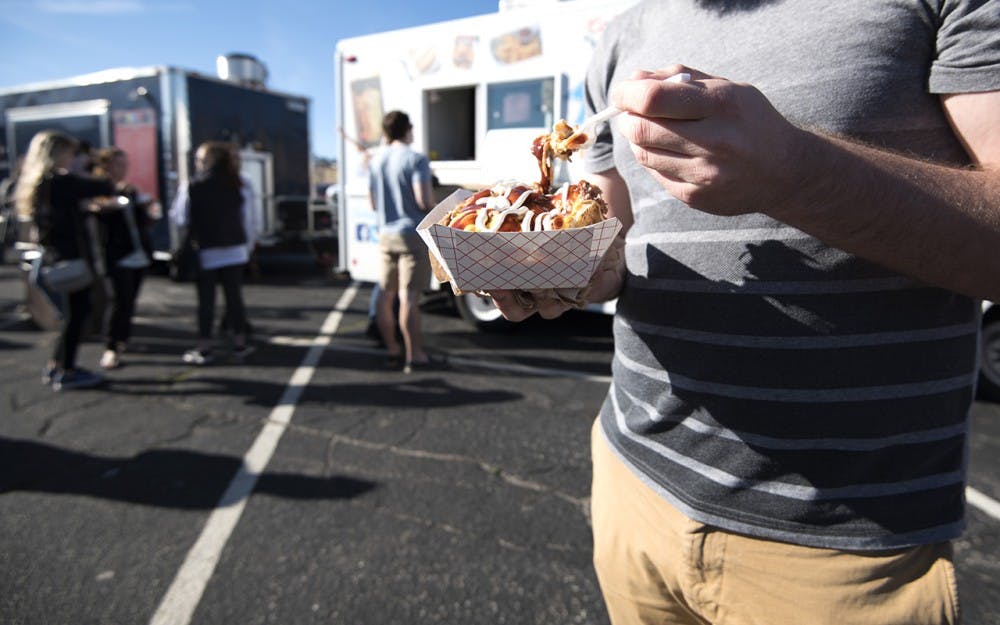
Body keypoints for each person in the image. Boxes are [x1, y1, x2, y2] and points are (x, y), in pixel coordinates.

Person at [489, 2, 1000, 624]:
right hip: (633, 480)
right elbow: (610, 238)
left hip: (845, 539)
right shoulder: (624, 33)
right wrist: (563, 270)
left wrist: (795, 171)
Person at [14, 130, 116, 391]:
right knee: (78, 317)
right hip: (71, 260)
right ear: (58, 153)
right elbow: (106, 185)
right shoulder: (61, 182)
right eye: (71, 154)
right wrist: (94, 160)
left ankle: (57, 365)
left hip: (55, 258)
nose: (74, 159)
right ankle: (66, 370)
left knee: (72, 317)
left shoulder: (39, 183)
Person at [169, 141, 254, 365]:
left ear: (208, 161)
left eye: (200, 159)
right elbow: (249, 219)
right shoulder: (240, 183)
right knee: (234, 298)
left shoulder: (193, 185)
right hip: (235, 249)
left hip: (207, 250)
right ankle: (240, 343)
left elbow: (180, 217)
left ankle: (205, 346)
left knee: (206, 300)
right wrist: (249, 245)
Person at [368, 110, 437, 372]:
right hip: (411, 236)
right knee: (409, 299)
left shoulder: (376, 161)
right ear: (408, 128)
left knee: (385, 296)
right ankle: (415, 354)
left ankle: (393, 349)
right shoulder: (415, 159)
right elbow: (423, 201)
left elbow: (373, 203)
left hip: (386, 235)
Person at [92, 147, 156, 370]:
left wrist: (146, 211)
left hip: (137, 253)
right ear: (106, 166)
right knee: (119, 301)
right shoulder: (98, 191)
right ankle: (111, 347)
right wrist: (104, 206)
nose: (123, 169)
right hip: (115, 255)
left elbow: (141, 222)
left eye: (125, 164)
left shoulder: (129, 190)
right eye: (118, 164)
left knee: (129, 301)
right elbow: (94, 221)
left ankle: (122, 340)